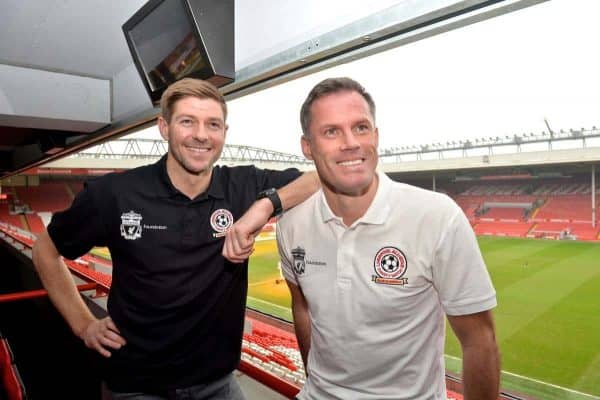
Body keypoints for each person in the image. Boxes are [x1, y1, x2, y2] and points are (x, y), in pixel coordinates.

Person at [32, 78, 319, 399]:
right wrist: (83, 324)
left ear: (224, 132)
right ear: (164, 127)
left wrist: (266, 203)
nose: (201, 134)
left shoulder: (244, 185)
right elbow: (45, 249)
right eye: (187, 122)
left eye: (213, 124)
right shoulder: (114, 194)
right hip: (137, 387)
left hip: (218, 384)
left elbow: (323, 175)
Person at [277, 77, 500, 400]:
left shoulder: (437, 217)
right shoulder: (291, 225)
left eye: (361, 127)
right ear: (307, 147)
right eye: (331, 131)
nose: (350, 142)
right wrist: (316, 381)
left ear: (376, 136)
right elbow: (303, 307)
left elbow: (480, 341)